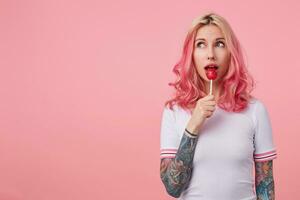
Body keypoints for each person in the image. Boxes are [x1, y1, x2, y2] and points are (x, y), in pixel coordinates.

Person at [159, 12, 277, 200]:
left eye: (220, 44)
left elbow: (265, 185)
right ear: (191, 54)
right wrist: (194, 125)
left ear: (231, 52)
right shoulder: (174, 111)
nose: (211, 54)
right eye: (201, 45)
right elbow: (173, 188)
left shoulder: (255, 110)